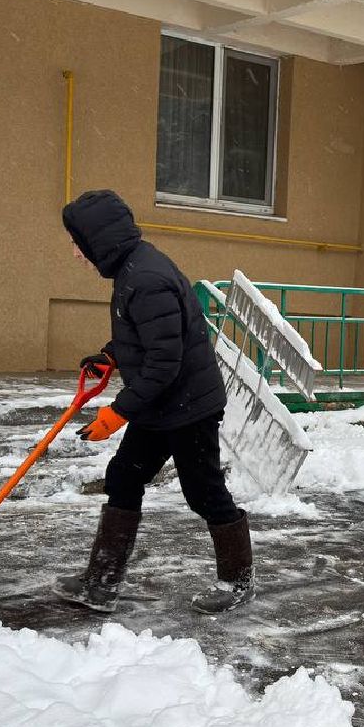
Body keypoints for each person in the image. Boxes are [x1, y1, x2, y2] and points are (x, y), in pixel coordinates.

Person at [53, 188, 254, 615]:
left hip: (188, 406)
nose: (75, 254)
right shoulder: (132, 269)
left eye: (77, 244)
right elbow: (147, 336)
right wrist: (112, 354)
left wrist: (117, 412)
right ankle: (102, 581)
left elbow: (165, 362)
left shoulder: (144, 278)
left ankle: (238, 582)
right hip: (162, 403)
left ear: (98, 241)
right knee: (124, 476)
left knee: (203, 492)